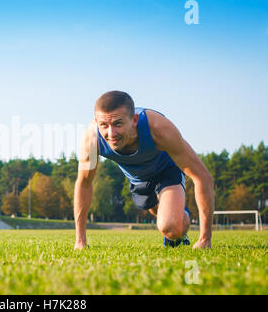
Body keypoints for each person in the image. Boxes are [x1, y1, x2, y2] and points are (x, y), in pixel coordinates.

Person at [74, 91, 214, 249]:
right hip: (138, 179)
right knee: (156, 211)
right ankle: (175, 213)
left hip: (166, 170)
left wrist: (205, 239)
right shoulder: (92, 139)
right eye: (104, 125)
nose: (111, 134)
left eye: (118, 124)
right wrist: (80, 241)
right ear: (96, 122)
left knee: (171, 228)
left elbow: (203, 177)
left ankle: (181, 218)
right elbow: (84, 183)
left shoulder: (158, 128)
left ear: (134, 120)